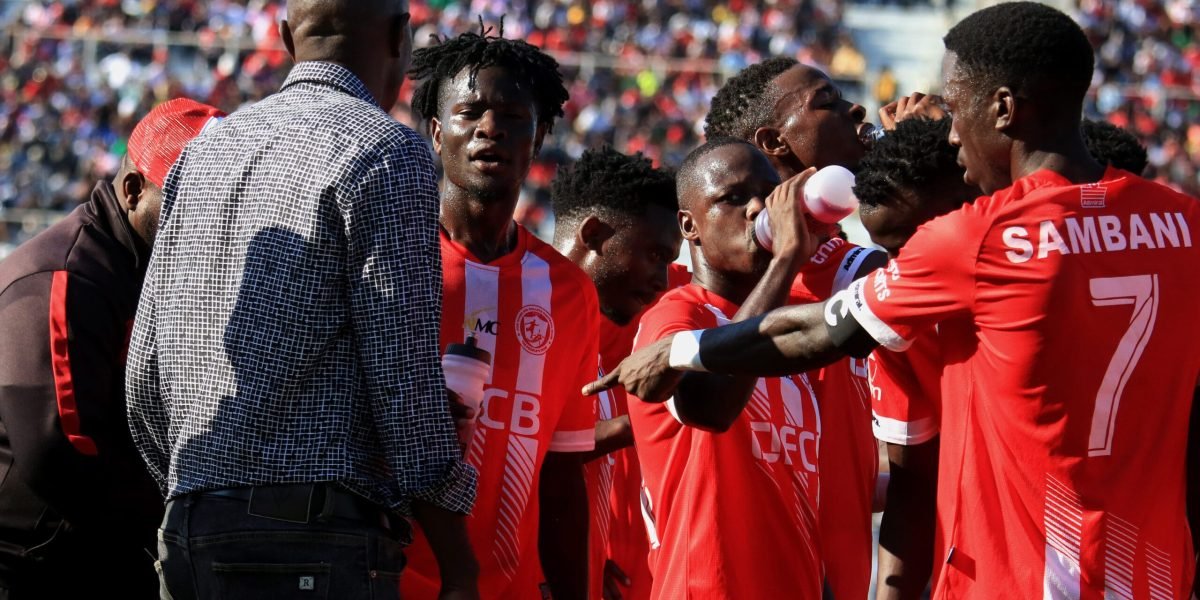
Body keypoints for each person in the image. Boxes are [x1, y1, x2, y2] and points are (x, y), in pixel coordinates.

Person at [591, 3, 1200, 598]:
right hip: (1152, 570)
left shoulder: (972, 241)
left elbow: (827, 337)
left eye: (956, 112)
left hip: (1018, 571)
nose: (951, 129)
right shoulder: (1185, 223)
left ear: (1005, 109)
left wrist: (686, 352)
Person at [125, 1, 480, 598]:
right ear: (400, 36)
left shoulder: (202, 154)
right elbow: (404, 380)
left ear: (287, 37)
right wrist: (460, 561)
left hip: (189, 526)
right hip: (315, 539)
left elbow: (142, 378)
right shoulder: (387, 153)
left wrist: (205, 491)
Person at [400, 25, 598, 600]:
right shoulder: (396, 263)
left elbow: (562, 474)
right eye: (470, 112)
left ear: (537, 141)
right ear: (437, 134)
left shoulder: (567, 291)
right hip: (385, 581)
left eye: (512, 115)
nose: (490, 127)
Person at [0, 98, 223, 599]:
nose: (208, 216)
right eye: (187, 199)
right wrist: (169, 519)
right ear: (132, 191)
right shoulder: (64, 277)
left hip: (98, 551)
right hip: (26, 561)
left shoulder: (165, 265)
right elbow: (56, 448)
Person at [705, 56, 886, 600]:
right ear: (775, 142)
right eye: (827, 103)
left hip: (841, 574)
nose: (856, 109)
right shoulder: (786, 274)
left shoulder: (835, 257)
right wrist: (919, 162)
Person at [628, 137, 824, 599]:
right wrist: (785, 263)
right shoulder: (675, 317)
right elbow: (711, 406)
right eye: (733, 198)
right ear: (689, 226)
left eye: (767, 193)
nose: (758, 208)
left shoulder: (784, 324)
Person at [550, 146, 682, 600]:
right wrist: (644, 422)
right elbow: (518, 450)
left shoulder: (594, 328)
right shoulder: (528, 314)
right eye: (654, 256)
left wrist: (584, 552)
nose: (663, 280)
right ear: (595, 234)